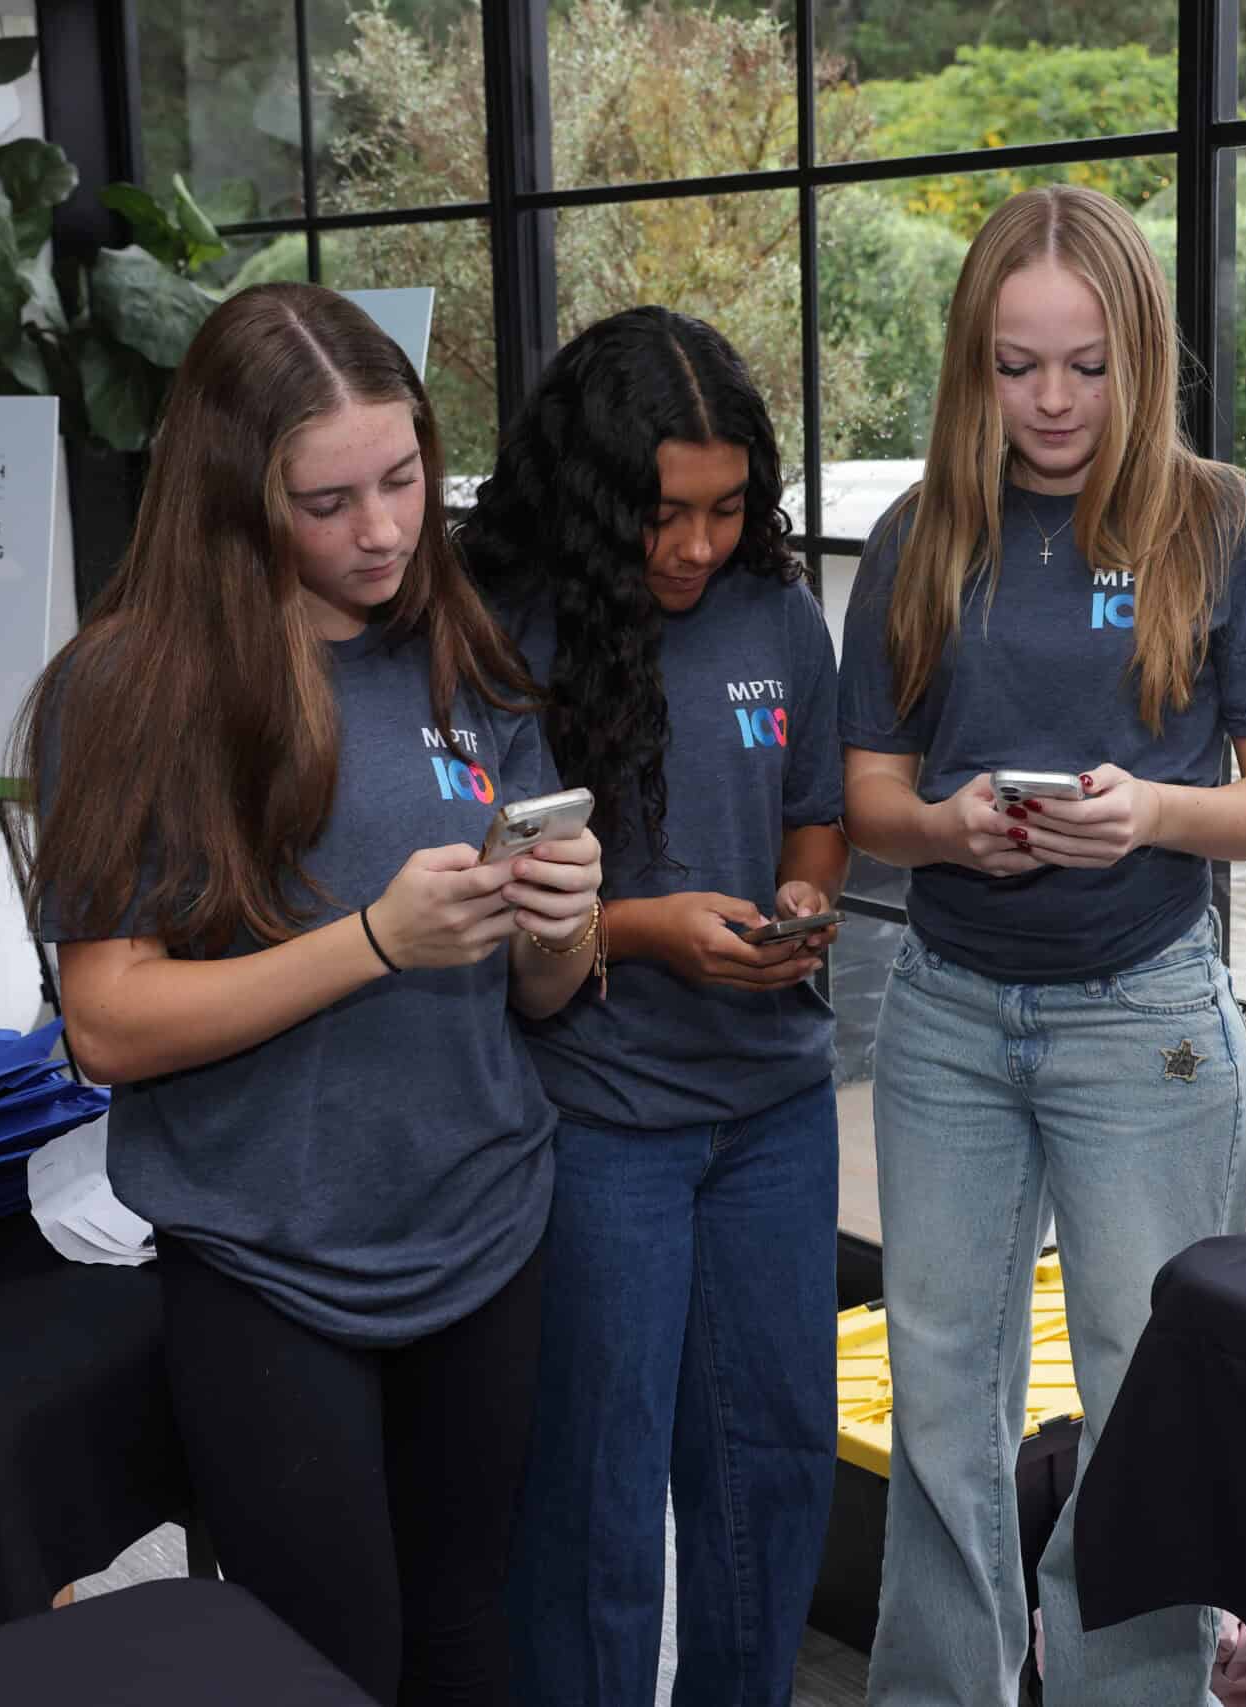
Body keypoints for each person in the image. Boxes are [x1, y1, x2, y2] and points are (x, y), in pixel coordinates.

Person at [15, 283, 603, 1707]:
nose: (385, 531)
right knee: (328, 1667)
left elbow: (540, 1002)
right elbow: (107, 1022)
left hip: (487, 1228)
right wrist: (377, 942)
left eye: (403, 478)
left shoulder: (457, 638)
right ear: (234, 493)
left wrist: (559, 923)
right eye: (328, 501)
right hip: (270, 1268)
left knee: (472, 1637)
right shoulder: (130, 690)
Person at [838, 184, 1246, 1707]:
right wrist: (950, 827)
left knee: (1145, 1402)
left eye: (1087, 363)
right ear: (970, 368)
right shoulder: (920, 536)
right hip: (946, 1020)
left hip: (1149, 1025)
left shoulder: (1224, 525)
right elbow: (866, 795)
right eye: (1015, 365)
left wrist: (1153, 816)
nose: (1052, 401)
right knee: (941, 1408)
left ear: (1143, 355)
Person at [460, 306, 847, 1707]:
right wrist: (652, 932)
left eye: (728, 509)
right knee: (599, 1496)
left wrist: (802, 904)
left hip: (774, 1115)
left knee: (774, 1467)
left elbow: (815, 815)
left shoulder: (780, 612)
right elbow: (491, 893)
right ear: (599, 496)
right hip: (600, 1120)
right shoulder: (511, 632)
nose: (696, 545)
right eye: (666, 515)